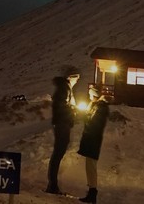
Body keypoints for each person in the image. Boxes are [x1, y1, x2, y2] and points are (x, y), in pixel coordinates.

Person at [46, 65, 80, 194]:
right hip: (62, 123)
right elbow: (61, 105)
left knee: (58, 153)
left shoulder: (65, 88)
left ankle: (52, 184)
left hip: (62, 123)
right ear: (72, 77)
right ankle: (52, 185)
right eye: (77, 78)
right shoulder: (64, 88)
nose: (77, 81)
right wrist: (72, 110)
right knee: (58, 153)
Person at [76, 84, 110, 203]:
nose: (89, 96)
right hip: (91, 140)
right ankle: (91, 191)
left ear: (95, 95)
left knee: (91, 167)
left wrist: (85, 116)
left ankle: (92, 193)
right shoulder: (97, 106)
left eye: (91, 94)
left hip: (93, 140)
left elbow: (94, 123)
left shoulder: (101, 107)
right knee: (89, 167)